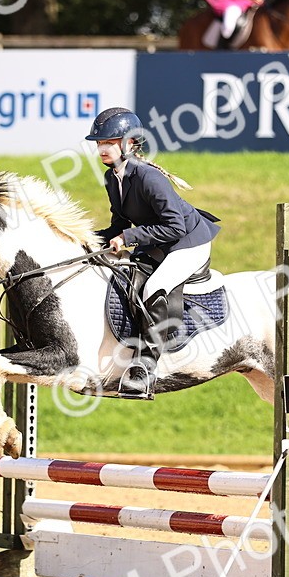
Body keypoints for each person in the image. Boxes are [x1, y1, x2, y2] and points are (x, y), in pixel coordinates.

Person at [86, 107, 221, 399]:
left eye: (108, 142)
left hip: (188, 242)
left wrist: (130, 237)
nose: (102, 149)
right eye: (99, 143)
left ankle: (145, 366)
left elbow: (174, 227)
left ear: (129, 143)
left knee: (154, 287)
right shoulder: (113, 178)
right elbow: (119, 225)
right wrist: (87, 241)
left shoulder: (149, 178)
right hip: (159, 242)